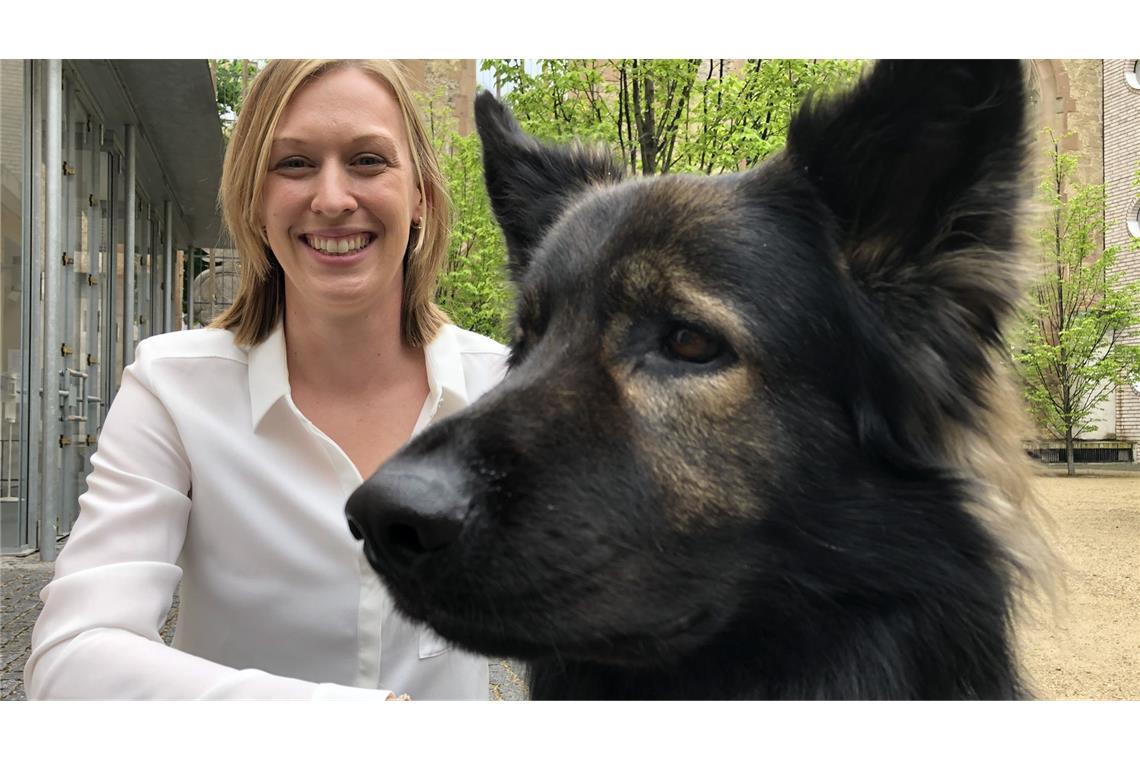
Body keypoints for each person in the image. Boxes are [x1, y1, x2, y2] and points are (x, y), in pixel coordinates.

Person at [25, 60, 508, 699]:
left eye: (368, 160)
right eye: (294, 164)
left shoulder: (506, 388)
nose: (333, 199)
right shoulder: (172, 390)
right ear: (254, 199)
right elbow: (70, 658)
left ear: (419, 194)